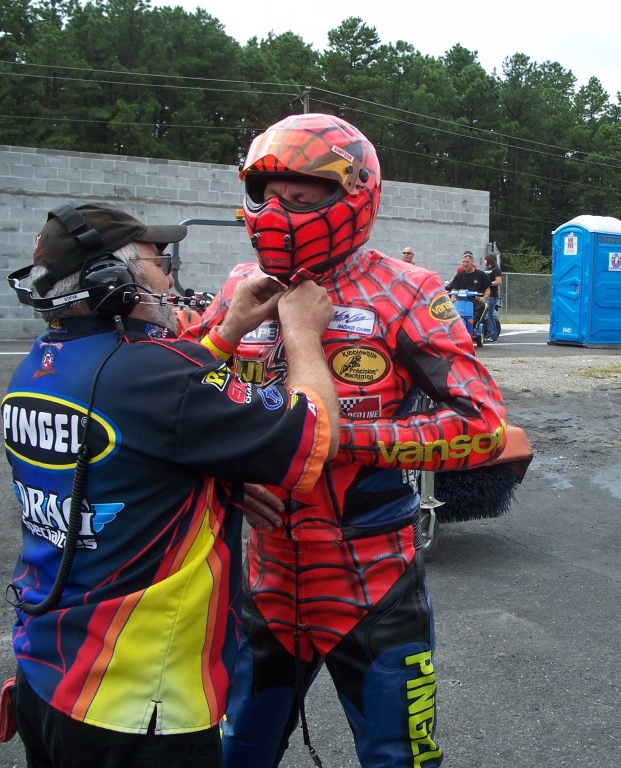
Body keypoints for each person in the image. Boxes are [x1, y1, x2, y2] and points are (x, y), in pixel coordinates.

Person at [187, 113, 509, 767]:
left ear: (354, 195)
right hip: (265, 584)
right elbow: (178, 413)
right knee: (230, 756)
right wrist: (233, 476)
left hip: (375, 584)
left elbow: (483, 426)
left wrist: (330, 440)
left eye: (302, 200)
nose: (279, 214)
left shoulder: (408, 291)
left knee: (402, 758)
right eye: (268, 197)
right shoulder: (238, 287)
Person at [1, 203, 339, 768]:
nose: (170, 276)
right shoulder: (156, 377)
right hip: (136, 709)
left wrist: (227, 332)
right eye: (159, 262)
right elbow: (313, 434)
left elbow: (150, 428)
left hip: (46, 674)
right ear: (115, 283)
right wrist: (302, 332)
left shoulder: (41, 366)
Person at [447, 251, 492, 341]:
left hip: (475, 300)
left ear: (472, 262)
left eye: (467, 262)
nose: (465, 264)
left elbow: (488, 289)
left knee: (484, 307)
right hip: (460, 300)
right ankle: (450, 330)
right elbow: (454, 288)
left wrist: (484, 298)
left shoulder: (481, 275)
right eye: (463, 262)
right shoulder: (459, 275)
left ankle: (474, 327)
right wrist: (453, 297)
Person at [483, 252, 503, 342]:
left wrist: (489, 284)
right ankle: (488, 334)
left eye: (486, 259)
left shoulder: (495, 270)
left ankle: (492, 335)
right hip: (486, 295)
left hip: (492, 295)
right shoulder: (487, 270)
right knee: (486, 315)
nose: (484, 261)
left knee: (489, 315)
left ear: (489, 260)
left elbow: (499, 281)